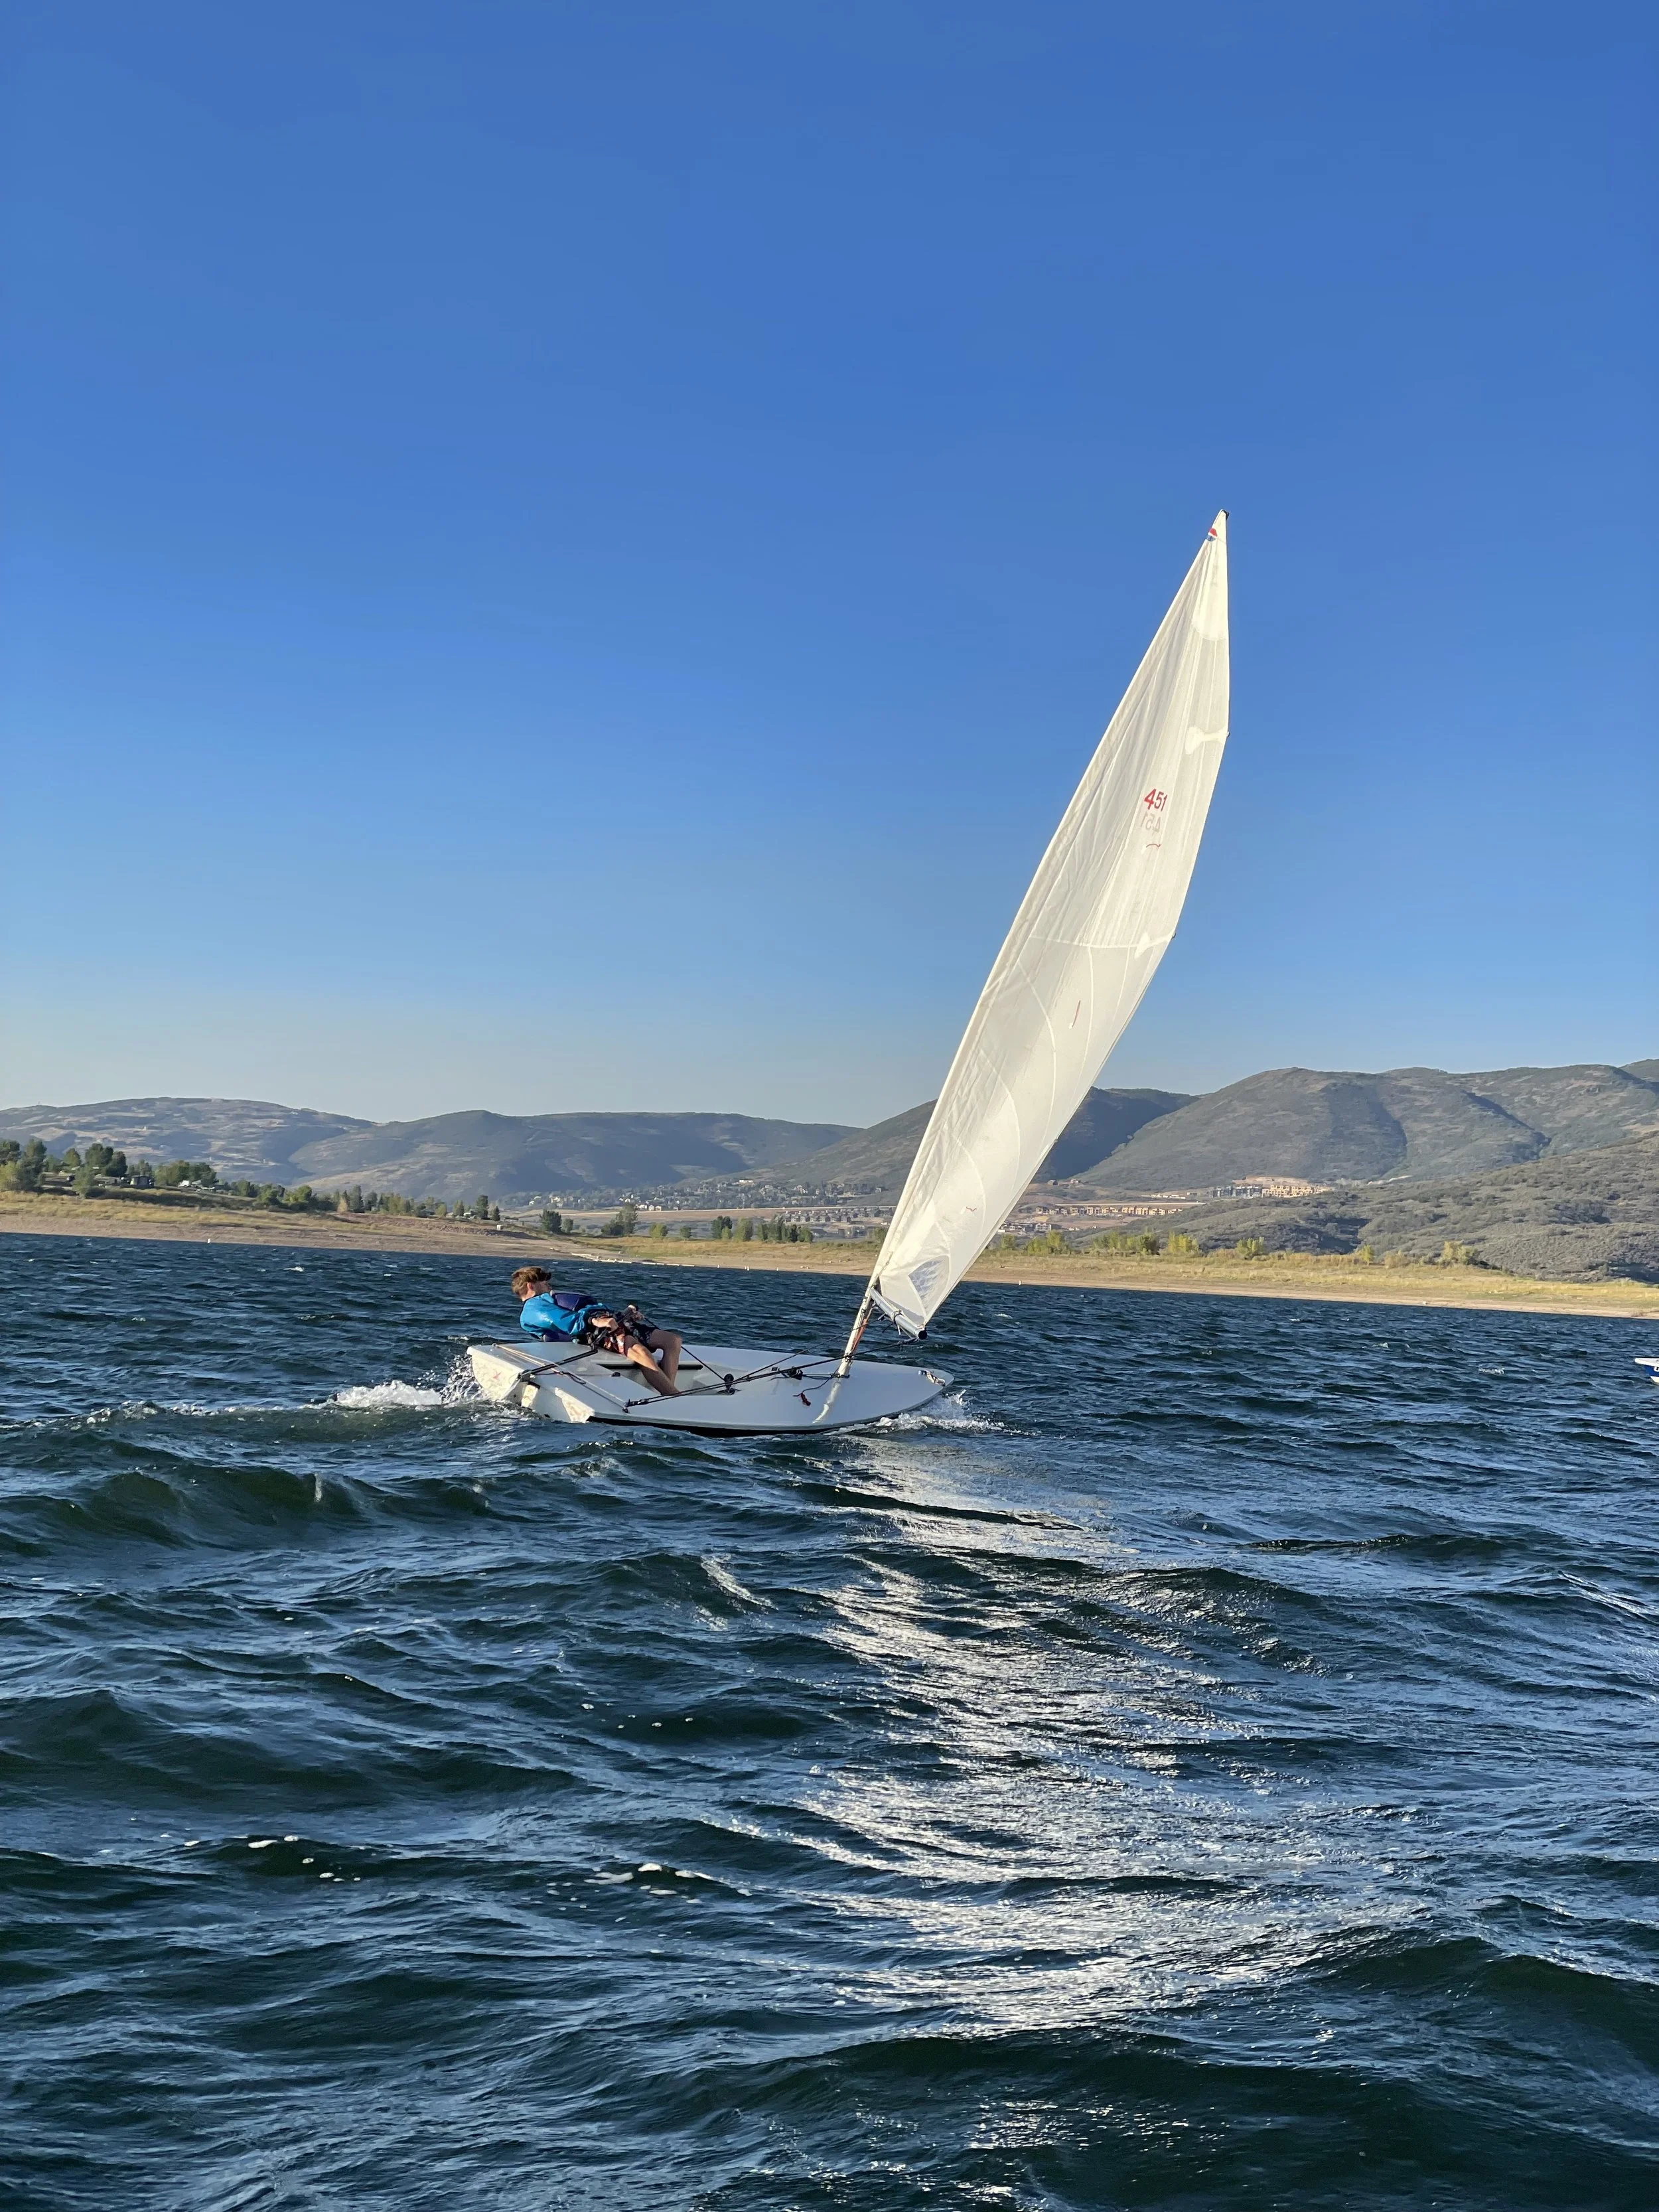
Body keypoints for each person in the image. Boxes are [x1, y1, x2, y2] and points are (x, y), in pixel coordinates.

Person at [510, 1267, 683, 1396]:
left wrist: (626, 1315)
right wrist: (594, 1321)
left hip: (611, 1323)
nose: (548, 1284)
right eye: (544, 1282)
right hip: (592, 1333)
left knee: (672, 1340)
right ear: (531, 1285)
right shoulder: (533, 1308)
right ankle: (674, 1397)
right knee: (640, 1351)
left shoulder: (546, 1299)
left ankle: (667, 1390)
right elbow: (564, 1321)